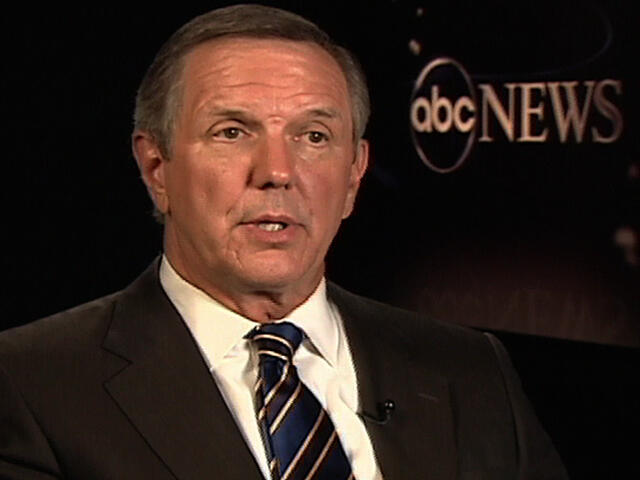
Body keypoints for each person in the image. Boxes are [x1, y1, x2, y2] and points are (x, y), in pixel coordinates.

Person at [0, 4, 568, 479]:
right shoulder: (30, 385)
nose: (277, 171)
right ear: (157, 168)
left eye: (314, 136)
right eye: (231, 132)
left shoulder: (472, 371)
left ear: (354, 175)